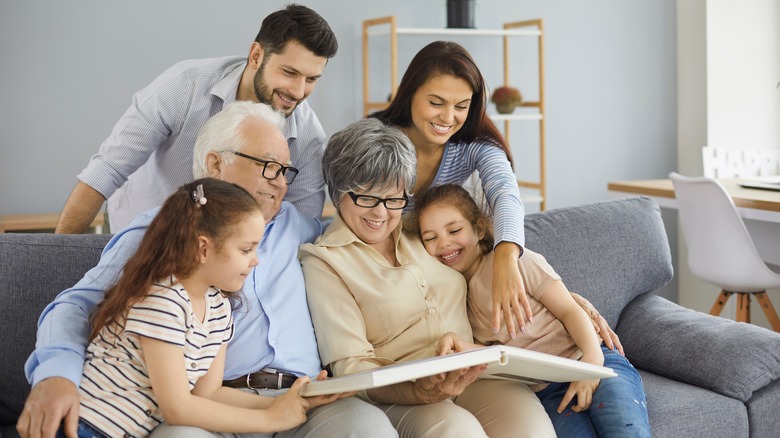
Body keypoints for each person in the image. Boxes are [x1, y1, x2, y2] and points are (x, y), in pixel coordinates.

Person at [18, 102, 397, 438]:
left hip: (302, 400)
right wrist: (56, 374)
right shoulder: (164, 233)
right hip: (209, 410)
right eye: (269, 167)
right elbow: (76, 305)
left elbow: (365, 232)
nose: (281, 183)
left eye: (286, 171)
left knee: (367, 427)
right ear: (216, 163)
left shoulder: (301, 229)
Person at [299, 118, 557, 437]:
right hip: (402, 393)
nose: (381, 214)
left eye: (394, 199)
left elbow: (487, 258)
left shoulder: (423, 231)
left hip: (474, 372)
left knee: (530, 430)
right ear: (339, 193)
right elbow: (352, 367)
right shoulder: (325, 261)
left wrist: (566, 301)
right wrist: (417, 391)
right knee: (456, 430)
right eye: (366, 198)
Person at [56, 3, 338, 234]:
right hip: (139, 229)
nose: (298, 92)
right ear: (256, 55)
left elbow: (299, 229)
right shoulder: (185, 85)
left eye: (311, 79)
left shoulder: (308, 139)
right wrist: (57, 261)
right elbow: (106, 171)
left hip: (226, 258)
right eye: (289, 72)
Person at [74, 177, 316, 437]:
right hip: (88, 428)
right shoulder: (163, 301)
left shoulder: (218, 308)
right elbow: (177, 408)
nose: (256, 260)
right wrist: (270, 420)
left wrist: (288, 403)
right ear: (203, 248)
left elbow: (209, 393)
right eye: (246, 250)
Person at [411, 183, 652, 437]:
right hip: (547, 389)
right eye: (430, 238)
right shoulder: (456, 295)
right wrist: (461, 346)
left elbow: (569, 310)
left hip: (589, 359)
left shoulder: (514, 263)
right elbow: (500, 353)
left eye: (454, 230)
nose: (444, 243)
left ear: (479, 229)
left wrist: (592, 362)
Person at [369, 40, 531, 339]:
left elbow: (505, 194)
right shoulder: (376, 138)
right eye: (436, 103)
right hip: (383, 268)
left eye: (461, 107)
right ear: (410, 93)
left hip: (438, 269)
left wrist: (506, 257)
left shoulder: (474, 145)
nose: (448, 118)